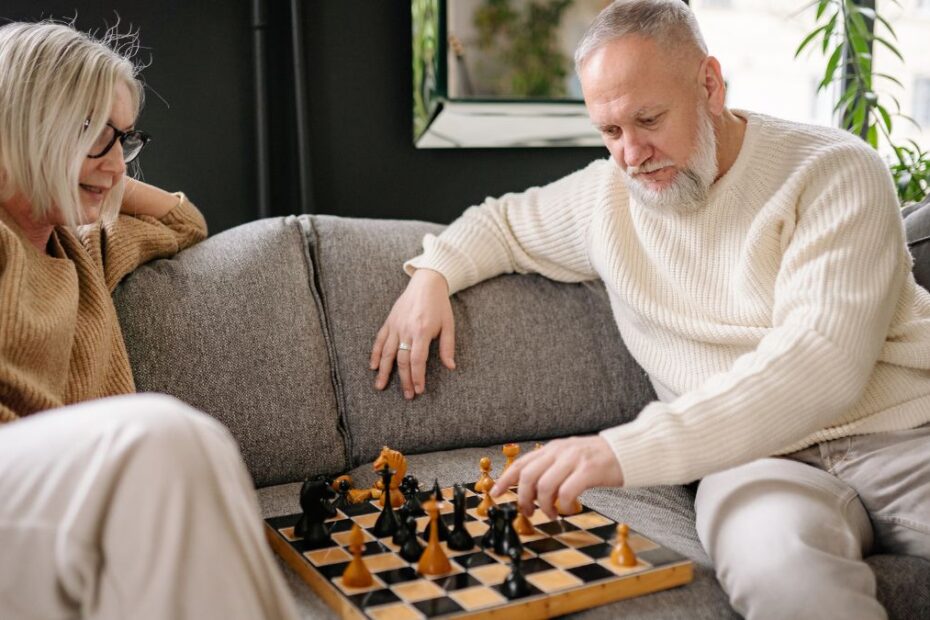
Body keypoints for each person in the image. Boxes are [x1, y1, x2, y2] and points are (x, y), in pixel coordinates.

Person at [370, 1, 930, 618]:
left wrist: (619, 451)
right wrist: (432, 273)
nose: (632, 154)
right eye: (610, 132)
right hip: (750, 464)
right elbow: (503, 223)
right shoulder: (606, 196)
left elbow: (823, 363)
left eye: (649, 119)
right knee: (784, 578)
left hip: (901, 436)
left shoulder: (835, 170)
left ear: (710, 85)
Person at [0, 22, 298, 620]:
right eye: (93, 135)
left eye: (126, 140)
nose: (116, 166)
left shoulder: (82, 250)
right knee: (162, 438)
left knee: (191, 447)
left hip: (66, 502)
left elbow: (185, 221)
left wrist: (96, 174)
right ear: (24, 126)